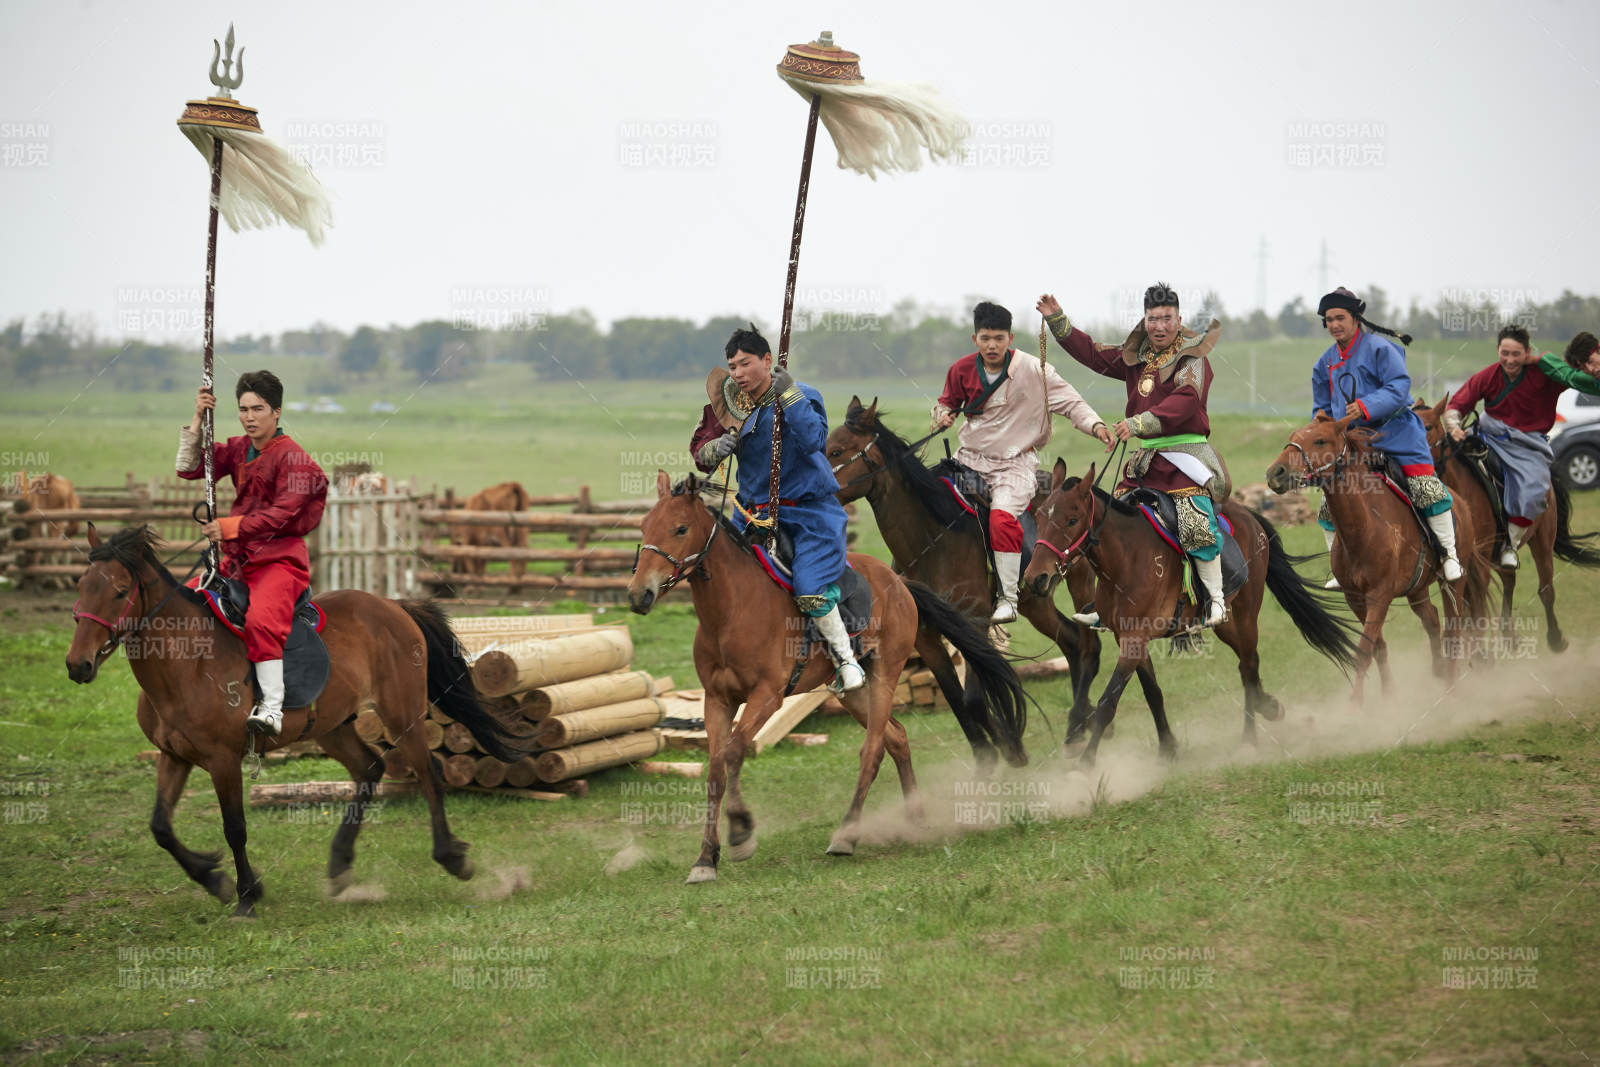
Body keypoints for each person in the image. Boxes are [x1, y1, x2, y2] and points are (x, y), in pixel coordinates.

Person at [1037, 283, 1231, 627]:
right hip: (1145, 463)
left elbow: (1185, 400)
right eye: (1153, 318)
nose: (1159, 326)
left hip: (1185, 456)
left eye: (1166, 318)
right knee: (1110, 523)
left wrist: (1139, 422)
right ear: (1145, 319)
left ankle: (1215, 599)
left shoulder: (1193, 356)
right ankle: (1106, 603)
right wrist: (1057, 321)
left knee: (1194, 520)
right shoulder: (1137, 354)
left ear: (1179, 318)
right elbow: (1094, 354)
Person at [689, 327, 864, 690]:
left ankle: (846, 660)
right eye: (732, 366)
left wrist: (789, 396)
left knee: (809, 587)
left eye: (745, 363)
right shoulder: (726, 405)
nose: (737, 373)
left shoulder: (803, 396)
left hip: (809, 514)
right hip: (751, 515)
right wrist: (715, 448)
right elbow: (701, 454)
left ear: (767, 361)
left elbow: (816, 440)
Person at [930, 300, 1110, 623]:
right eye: (985, 338)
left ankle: (1008, 599)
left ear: (1010, 338)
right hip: (968, 460)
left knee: (1001, 519)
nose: (992, 345)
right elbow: (946, 404)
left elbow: (1071, 403)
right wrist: (942, 416)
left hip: (1014, 466)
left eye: (999, 338)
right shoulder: (960, 370)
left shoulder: (1035, 371)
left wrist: (1096, 426)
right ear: (975, 340)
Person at [177, 370, 328, 735]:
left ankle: (272, 709)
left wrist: (229, 527)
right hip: (238, 562)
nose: (249, 417)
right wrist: (198, 418)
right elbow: (190, 467)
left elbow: (282, 515)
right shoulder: (239, 449)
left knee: (261, 620)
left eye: (257, 409)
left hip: (280, 562)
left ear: (276, 412)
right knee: (186, 601)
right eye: (243, 409)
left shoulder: (296, 461)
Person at [1311, 287, 1461, 587]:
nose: (1334, 325)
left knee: (1427, 488)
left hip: (1397, 435)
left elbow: (1398, 389)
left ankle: (1449, 555)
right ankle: (1340, 568)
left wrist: (1365, 406)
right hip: (1354, 445)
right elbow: (1321, 406)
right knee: (1329, 506)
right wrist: (1323, 422)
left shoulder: (1380, 349)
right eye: (1328, 320)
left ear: (1356, 318)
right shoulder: (1323, 363)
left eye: (1340, 317)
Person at [1445, 325, 1600, 566]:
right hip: (1488, 434)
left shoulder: (1545, 370)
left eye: (1516, 354)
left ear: (1527, 353)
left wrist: (1592, 370)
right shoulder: (1487, 375)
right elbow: (1458, 404)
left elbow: (1576, 379)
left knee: (1535, 485)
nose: (1509, 359)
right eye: (1504, 353)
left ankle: (1510, 543)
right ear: (1498, 350)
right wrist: (1454, 426)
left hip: (1529, 445)